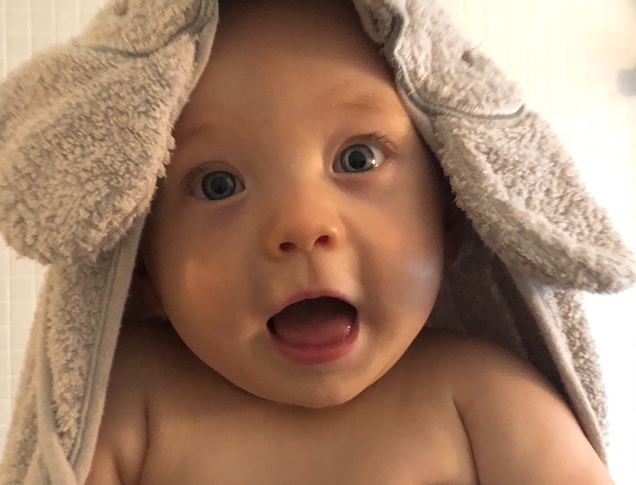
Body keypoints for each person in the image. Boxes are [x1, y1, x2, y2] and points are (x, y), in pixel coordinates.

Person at [83, 0, 614, 483]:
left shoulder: (482, 397)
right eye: (217, 185)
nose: (301, 224)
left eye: (358, 159)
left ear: (451, 219)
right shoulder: (127, 396)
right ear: (142, 270)